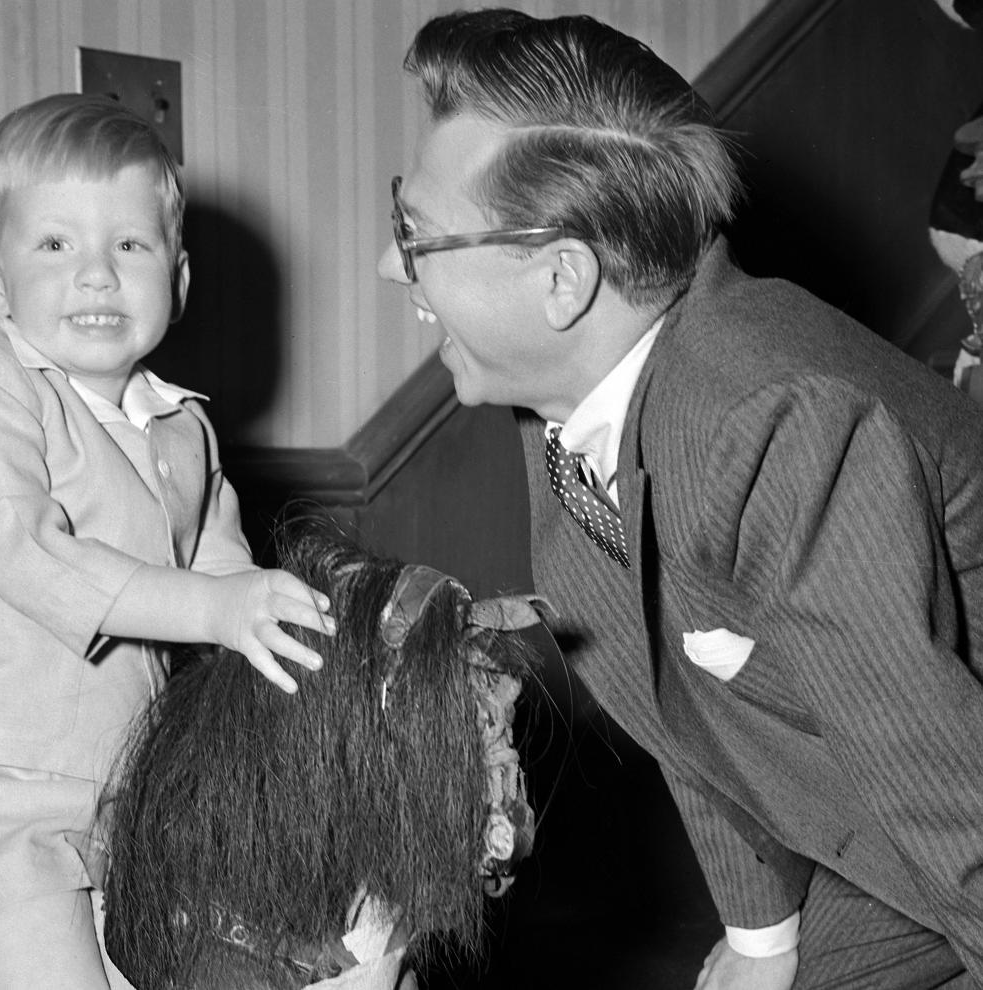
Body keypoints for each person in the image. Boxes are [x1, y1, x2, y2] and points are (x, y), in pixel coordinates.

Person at [378, 9, 983, 990]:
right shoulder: (579, 411)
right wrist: (761, 942)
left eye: (416, 238)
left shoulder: (772, 420)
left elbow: (950, 791)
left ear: (562, 281)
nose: (387, 266)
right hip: (878, 828)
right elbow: (686, 705)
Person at [0, 92, 334, 990]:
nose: (96, 274)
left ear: (179, 278)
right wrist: (216, 606)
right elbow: (32, 556)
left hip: (134, 786)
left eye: (129, 245)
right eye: (55, 245)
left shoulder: (183, 428)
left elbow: (222, 568)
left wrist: (286, 629)